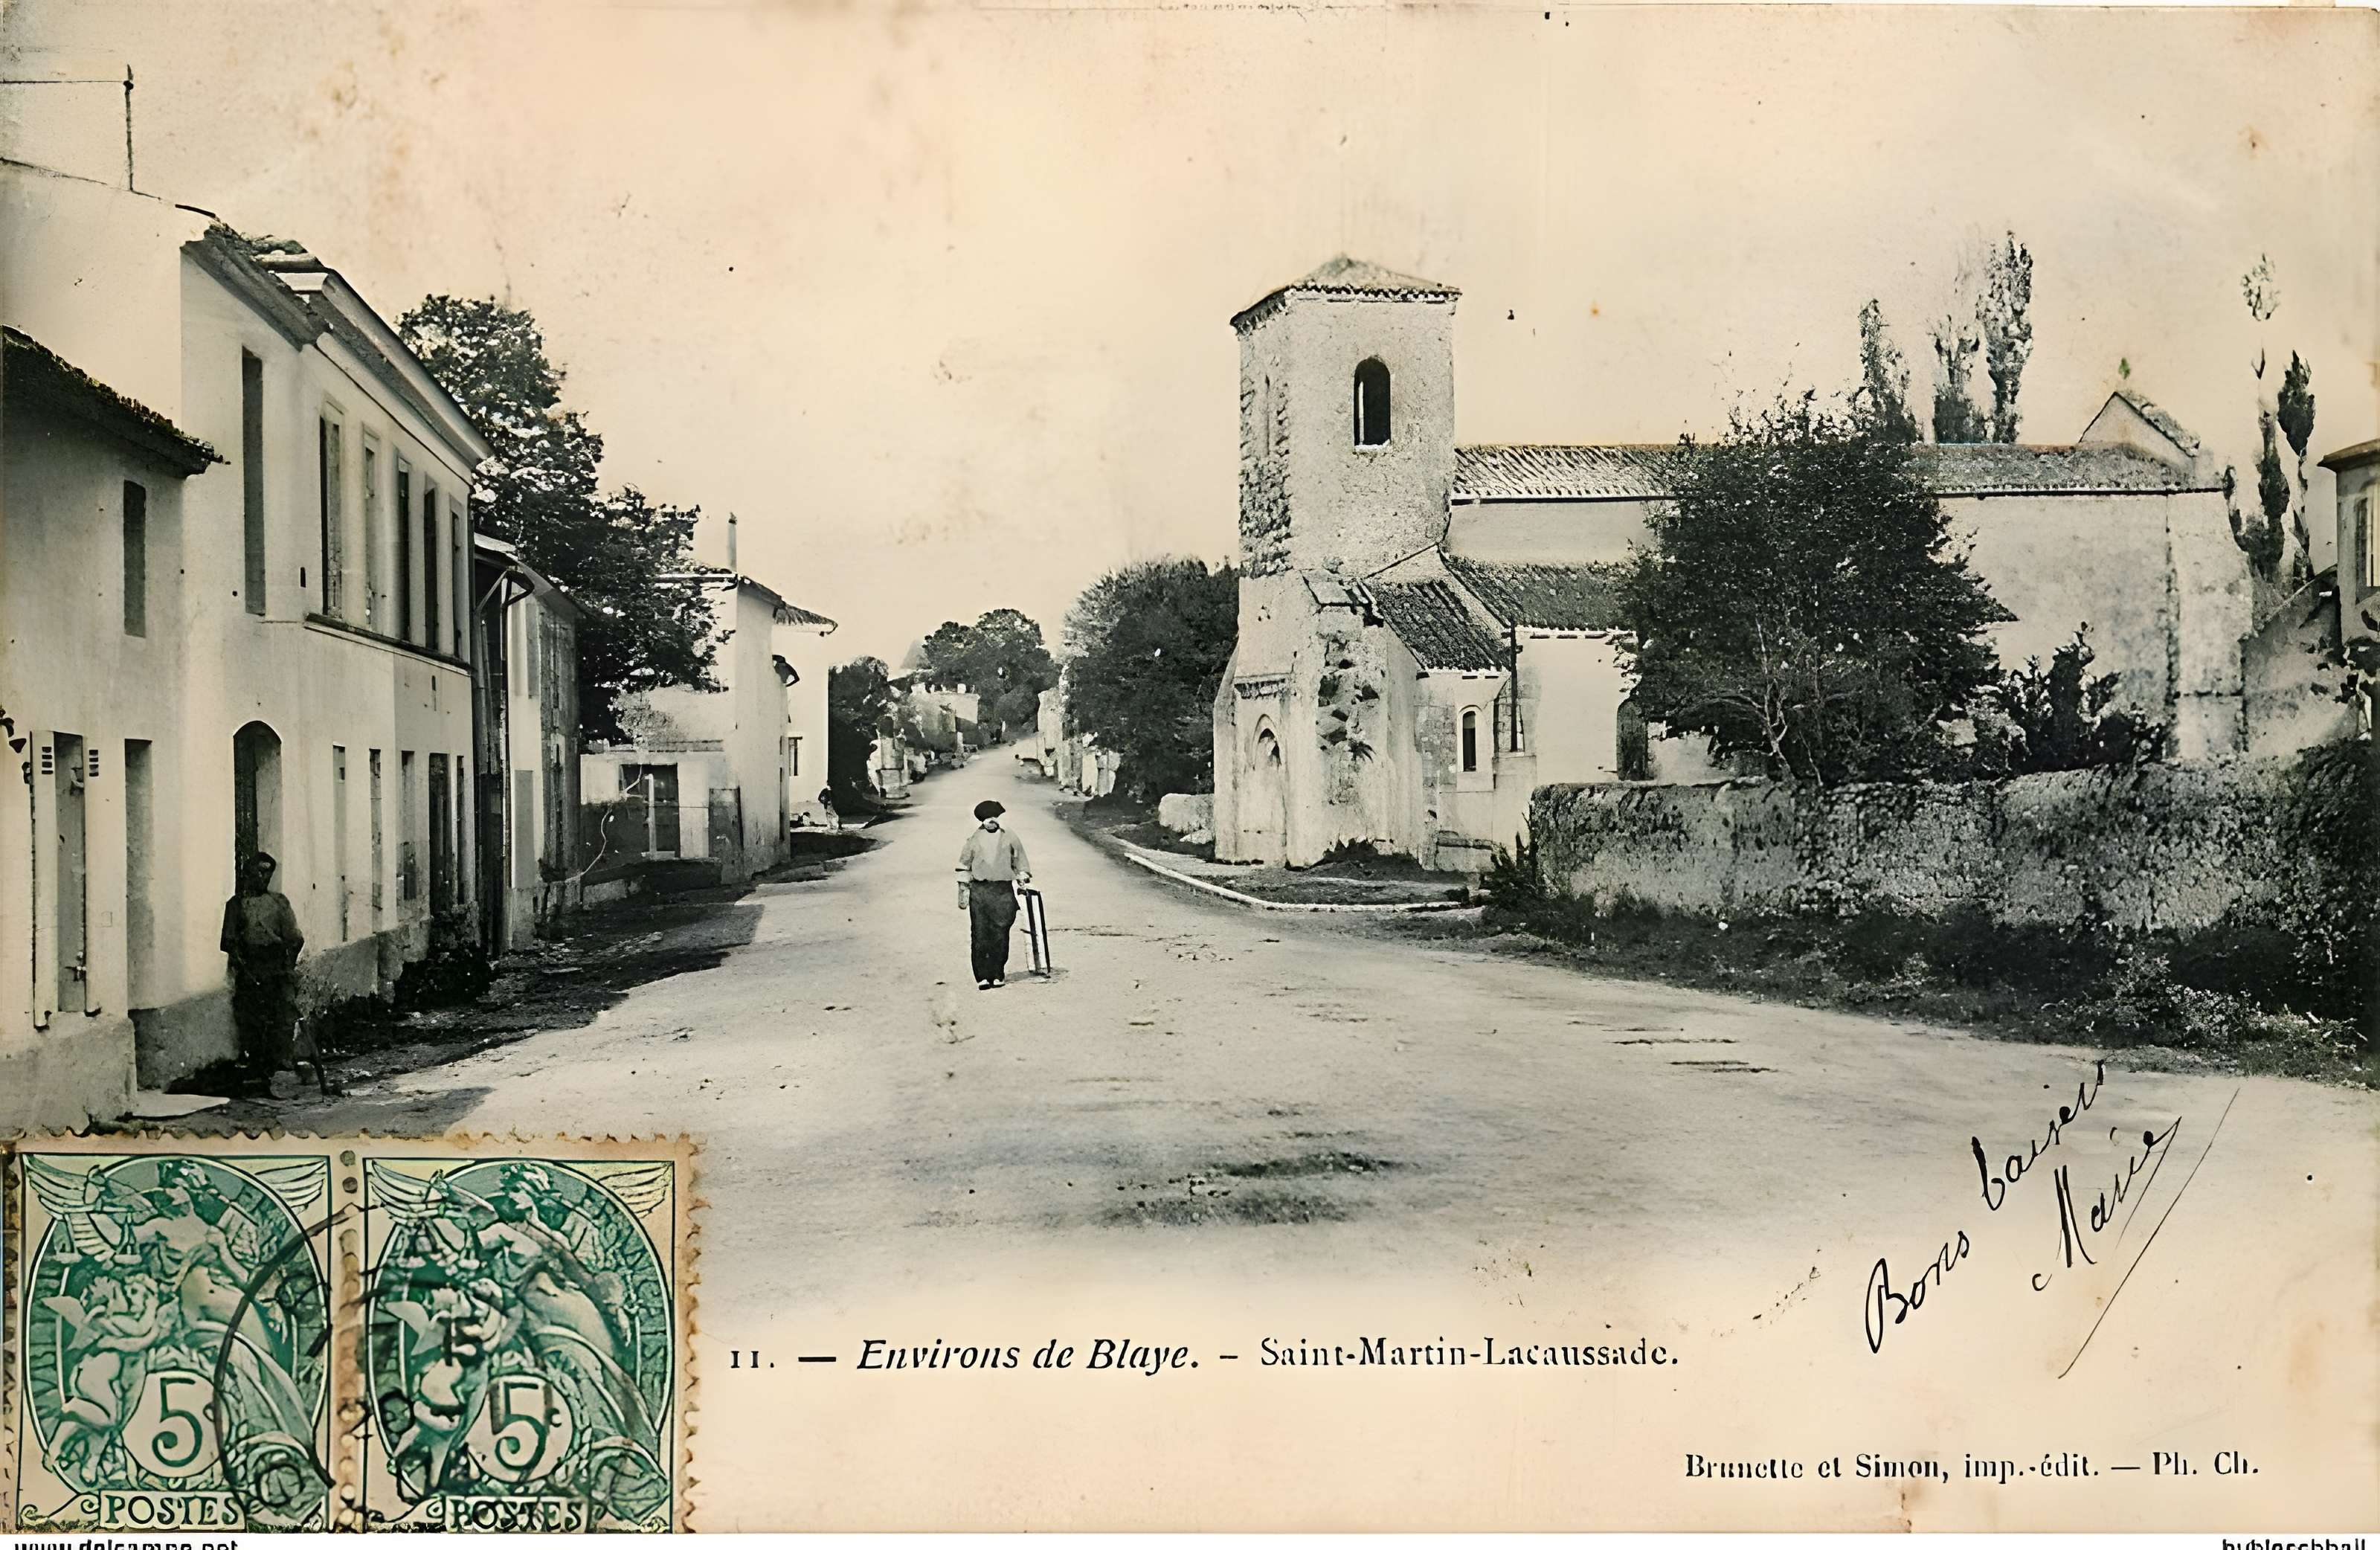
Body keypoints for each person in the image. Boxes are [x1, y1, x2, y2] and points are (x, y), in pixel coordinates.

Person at [220, 852, 306, 1091]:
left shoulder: (280, 903)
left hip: (276, 966)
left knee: (281, 1017)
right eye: (258, 871)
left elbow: (296, 939)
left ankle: (280, 1065)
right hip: (250, 967)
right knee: (252, 1019)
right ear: (247, 872)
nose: (262, 876)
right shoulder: (236, 905)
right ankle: (257, 1067)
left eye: (267, 872)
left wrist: (288, 967)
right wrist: (245, 970)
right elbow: (228, 942)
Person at [955, 799, 1030, 989]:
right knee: (980, 934)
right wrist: (963, 890)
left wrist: (1022, 877)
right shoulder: (974, 840)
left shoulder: (1009, 837)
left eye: (995, 817)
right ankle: (982, 976)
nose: (992, 821)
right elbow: (963, 865)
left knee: (1001, 933)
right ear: (981, 821)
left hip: (1003, 891)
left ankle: (998, 973)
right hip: (980, 891)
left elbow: (1020, 860)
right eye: (987, 819)